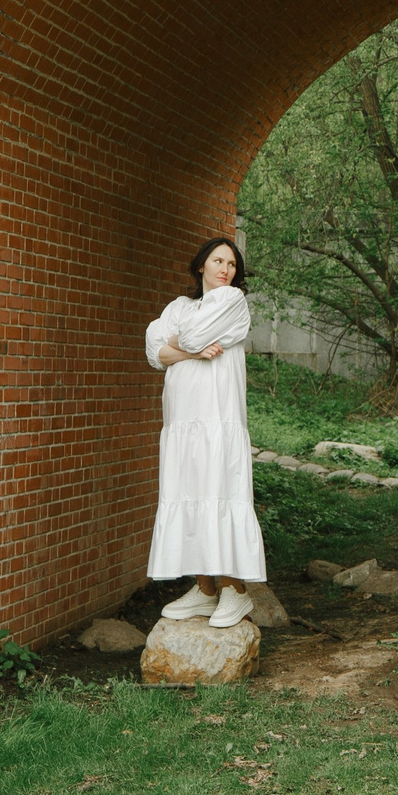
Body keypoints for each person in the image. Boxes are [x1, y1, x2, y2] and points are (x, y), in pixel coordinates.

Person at [145, 236, 267, 627]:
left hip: (217, 419)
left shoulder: (232, 302)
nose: (225, 269)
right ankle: (205, 589)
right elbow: (153, 352)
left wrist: (181, 344)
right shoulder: (180, 307)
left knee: (219, 491)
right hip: (182, 422)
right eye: (218, 261)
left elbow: (184, 338)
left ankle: (236, 591)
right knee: (189, 492)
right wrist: (193, 351)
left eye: (232, 264)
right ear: (202, 265)